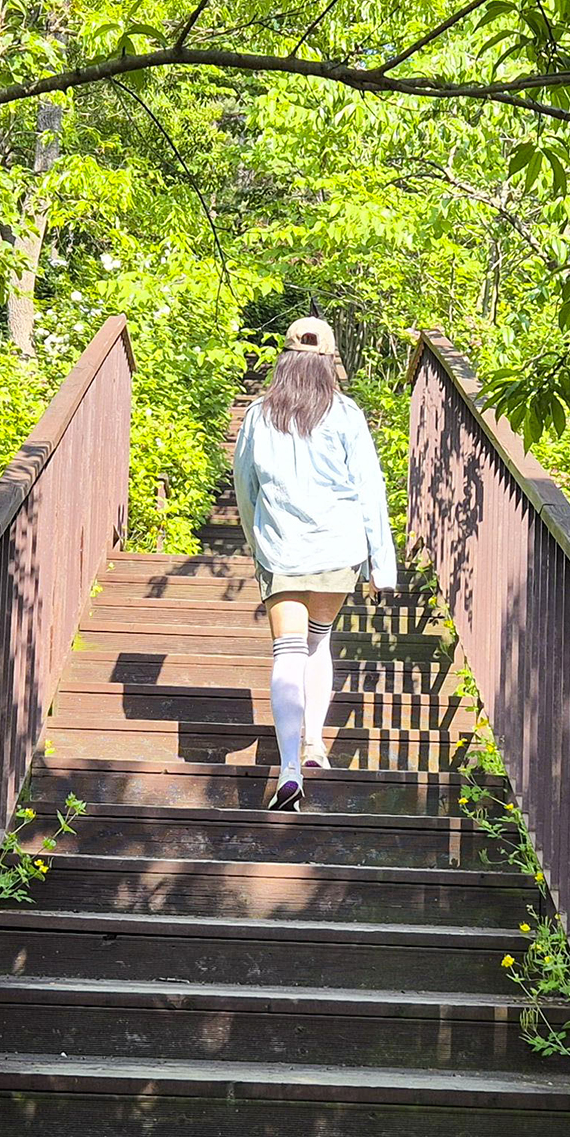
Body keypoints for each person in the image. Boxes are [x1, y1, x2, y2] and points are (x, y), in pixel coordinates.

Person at [230, 316, 399, 810]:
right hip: (338, 547)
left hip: (282, 547)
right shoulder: (347, 415)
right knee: (318, 644)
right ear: (329, 362)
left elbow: (244, 486)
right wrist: (380, 565)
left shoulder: (260, 415)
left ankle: (286, 770)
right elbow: (370, 490)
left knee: (287, 649)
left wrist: (255, 540)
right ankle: (315, 747)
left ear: (284, 359)